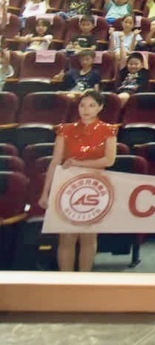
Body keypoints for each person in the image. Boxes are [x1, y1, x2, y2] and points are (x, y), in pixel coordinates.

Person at [38, 90, 118, 272]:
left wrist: (78, 163)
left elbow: (109, 160)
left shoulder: (109, 130)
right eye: (82, 105)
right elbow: (55, 161)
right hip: (68, 187)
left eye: (91, 105)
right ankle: (66, 281)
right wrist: (45, 192)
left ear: (100, 107)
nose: (86, 110)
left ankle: (84, 280)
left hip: (95, 187)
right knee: (66, 236)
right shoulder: (65, 130)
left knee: (88, 236)